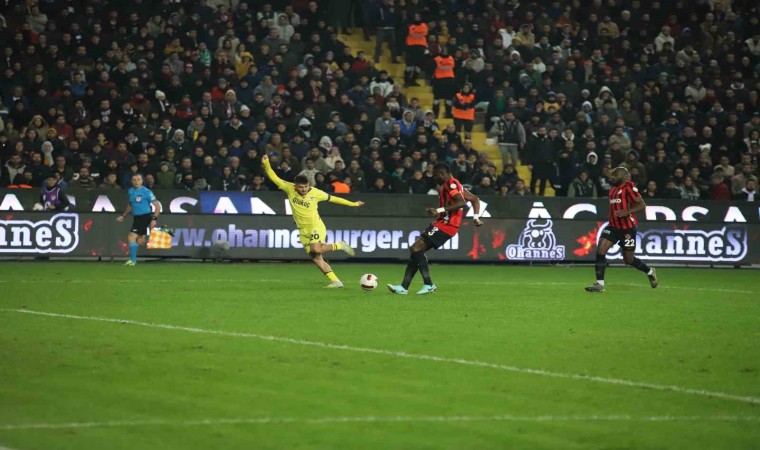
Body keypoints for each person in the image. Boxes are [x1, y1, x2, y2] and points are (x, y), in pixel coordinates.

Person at [261, 154, 364, 288]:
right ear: (295, 186)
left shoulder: (316, 193)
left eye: (305, 186)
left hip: (315, 226)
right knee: (316, 257)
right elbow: (274, 177)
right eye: (301, 187)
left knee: (316, 249)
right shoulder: (289, 188)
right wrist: (266, 163)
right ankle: (336, 281)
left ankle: (341, 245)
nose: (303, 189)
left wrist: (353, 204)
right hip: (302, 230)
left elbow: (334, 199)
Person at [387, 163, 483, 295]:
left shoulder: (451, 184)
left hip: (447, 225)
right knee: (416, 252)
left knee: (415, 249)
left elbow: (461, 203)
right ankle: (404, 287)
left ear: (442, 174)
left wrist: (438, 210)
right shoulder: (456, 185)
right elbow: (474, 199)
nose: (434, 178)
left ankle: (428, 284)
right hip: (442, 224)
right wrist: (476, 217)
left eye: (436, 175)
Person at [586, 167, 658, 293]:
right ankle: (600, 284)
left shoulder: (629, 187)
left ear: (624, 176)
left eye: (616, 175)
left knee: (629, 260)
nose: (612, 177)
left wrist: (626, 212)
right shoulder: (612, 190)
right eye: (612, 175)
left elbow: (642, 205)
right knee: (601, 250)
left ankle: (650, 271)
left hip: (627, 229)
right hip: (613, 227)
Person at [116, 173, 161, 266]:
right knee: (140, 241)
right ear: (131, 181)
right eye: (134, 180)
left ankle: (132, 261)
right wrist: (124, 215)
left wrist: (154, 219)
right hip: (136, 217)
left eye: (138, 180)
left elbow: (157, 206)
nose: (136, 182)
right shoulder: (131, 191)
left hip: (144, 216)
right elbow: (130, 204)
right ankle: (149, 237)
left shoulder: (146, 192)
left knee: (131, 236)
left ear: (142, 181)